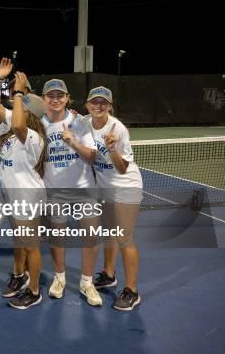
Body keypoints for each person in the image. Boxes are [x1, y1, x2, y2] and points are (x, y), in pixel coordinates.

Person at [0, 71, 48, 310]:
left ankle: (34, 291)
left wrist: (20, 92)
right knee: (20, 240)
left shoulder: (31, 136)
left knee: (31, 245)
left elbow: (17, 122)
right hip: (13, 196)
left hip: (28, 197)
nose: (13, 107)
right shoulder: (12, 134)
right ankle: (19, 274)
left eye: (19, 105)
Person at [40, 78, 103, 307]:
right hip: (54, 191)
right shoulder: (38, 125)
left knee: (91, 237)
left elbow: (92, 156)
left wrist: (74, 142)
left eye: (60, 96)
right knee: (57, 237)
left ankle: (87, 282)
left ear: (67, 98)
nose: (55, 100)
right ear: (45, 99)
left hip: (84, 189)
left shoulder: (81, 122)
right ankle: (60, 277)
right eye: (51, 96)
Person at [85, 86, 143, 310]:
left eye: (103, 102)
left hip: (125, 185)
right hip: (105, 188)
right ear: (87, 105)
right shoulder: (85, 124)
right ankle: (109, 274)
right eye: (94, 102)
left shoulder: (118, 129)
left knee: (124, 238)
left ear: (109, 106)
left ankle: (132, 290)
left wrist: (112, 149)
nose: (98, 105)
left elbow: (120, 168)